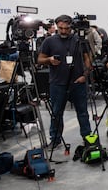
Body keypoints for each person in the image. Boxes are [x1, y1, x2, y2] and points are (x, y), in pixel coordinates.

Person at [37, 14, 92, 148]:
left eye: (66, 28)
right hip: (57, 83)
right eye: (60, 28)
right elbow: (39, 60)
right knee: (56, 113)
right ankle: (55, 139)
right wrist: (49, 60)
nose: (63, 31)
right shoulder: (49, 41)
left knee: (83, 112)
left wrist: (85, 75)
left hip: (78, 82)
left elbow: (88, 59)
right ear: (56, 26)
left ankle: (87, 137)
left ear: (71, 27)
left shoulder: (79, 40)